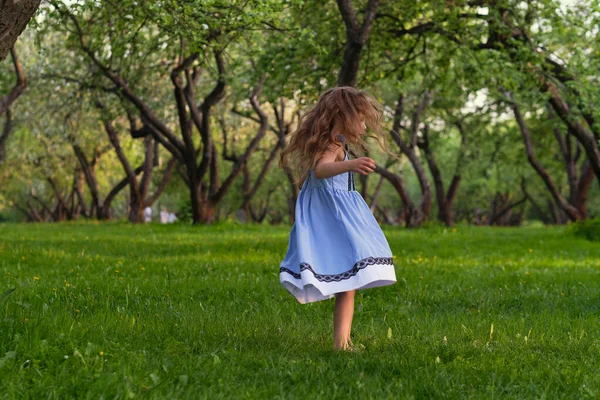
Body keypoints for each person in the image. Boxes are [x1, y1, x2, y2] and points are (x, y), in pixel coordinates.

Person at [279, 86, 397, 351]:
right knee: (350, 280)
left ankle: (342, 343)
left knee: (350, 282)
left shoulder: (334, 143)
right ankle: (341, 344)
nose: (365, 127)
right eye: (362, 119)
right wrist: (351, 164)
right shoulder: (331, 144)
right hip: (335, 220)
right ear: (343, 115)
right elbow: (321, 170)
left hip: (336, 217)